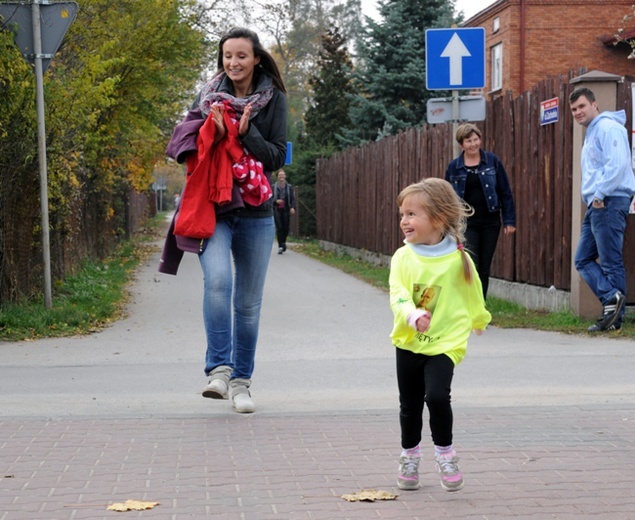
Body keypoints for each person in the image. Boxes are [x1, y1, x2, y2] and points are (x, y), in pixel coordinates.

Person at [160, 27, 288, 413]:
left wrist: (246, 134)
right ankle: (218, 369)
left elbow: (278, 157)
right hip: (212, 208)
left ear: (256, 59)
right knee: (217, 283)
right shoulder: (206, 98)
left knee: (248, 304)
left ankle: (241, 382)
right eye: (228, 56)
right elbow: (183, 144)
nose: (233, 63)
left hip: (255, 212)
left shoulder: (274, 100)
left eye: (241, 56)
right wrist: (208, 133)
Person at [389, 178, 491, 492]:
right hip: (409, 341)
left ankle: (445, 454)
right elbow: (398, 294)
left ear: (438, 219)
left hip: (446, 342)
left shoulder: (459, 259)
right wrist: (413, 315)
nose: (404, 221)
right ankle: (409, 456)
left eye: (411, 214)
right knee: (409, 405)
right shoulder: (403, 258)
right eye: (402, 214)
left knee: (435, 396)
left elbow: (474, 292)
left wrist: (478, 319)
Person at [569, 87, 635, 332]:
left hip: (607, 200)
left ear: (594, 105)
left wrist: (598, 196)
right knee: (583, 258)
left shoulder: (608, 128)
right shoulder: (593, 131)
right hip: (598, 203)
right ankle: (611, 300)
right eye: (574, 109)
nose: (578, 112)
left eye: (582, 106)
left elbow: (617, 165)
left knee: (610, 262)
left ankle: (614, 319)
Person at [445, 123, 516, 298]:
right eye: (468, 141)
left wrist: (509, 221)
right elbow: (447, 197)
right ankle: (469, 304)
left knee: (484, 267)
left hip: (491, 222)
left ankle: (480, 307)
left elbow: (505, 192)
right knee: (471, 264)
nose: (473, 144)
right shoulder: (454, 167)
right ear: (461, 144)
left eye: (476, 139)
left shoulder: (492, 161)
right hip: (467, 222)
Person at [272, 169, 296, 254]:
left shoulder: (289, 187)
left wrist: (293, 207)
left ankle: (283, 242)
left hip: (286, 209)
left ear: (285, 176)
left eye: (283, 175)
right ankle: (280, 246)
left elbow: (292, 199)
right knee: (279, 228)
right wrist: (275, 201)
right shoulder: (273, 187)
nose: (281, 176)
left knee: (285, 228)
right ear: (277, 177)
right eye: (279, 175)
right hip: (277, 210)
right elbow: (269, 199)